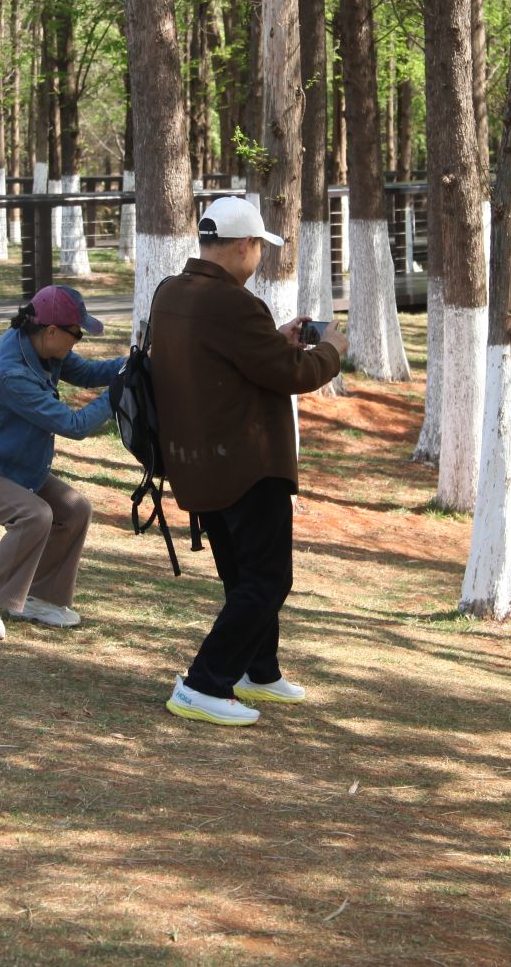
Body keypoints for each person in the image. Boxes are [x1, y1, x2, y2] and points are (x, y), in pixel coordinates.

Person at [149, 196, 344, 726]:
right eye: (259, 247)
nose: (259, 257)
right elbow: (294, 375)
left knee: (242, 576)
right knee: (267, 579)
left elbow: (226, 359)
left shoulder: (170, 292)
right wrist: (329, 349)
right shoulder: (234, 303)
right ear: (243, 246)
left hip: (197, 462)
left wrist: (274, 342)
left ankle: (258, 670)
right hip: (247, 465)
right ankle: (204, 683)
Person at [0, 285, 122, 640]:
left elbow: (87, 374)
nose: (78, 340)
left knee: (74, 509)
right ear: (52, 331)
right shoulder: (12, 374)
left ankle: (40, 598)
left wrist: (134, 364)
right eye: (76, 333)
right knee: (34, 515)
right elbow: (74, 425)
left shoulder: (38, 344)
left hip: (10, 465)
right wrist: (119, 391)